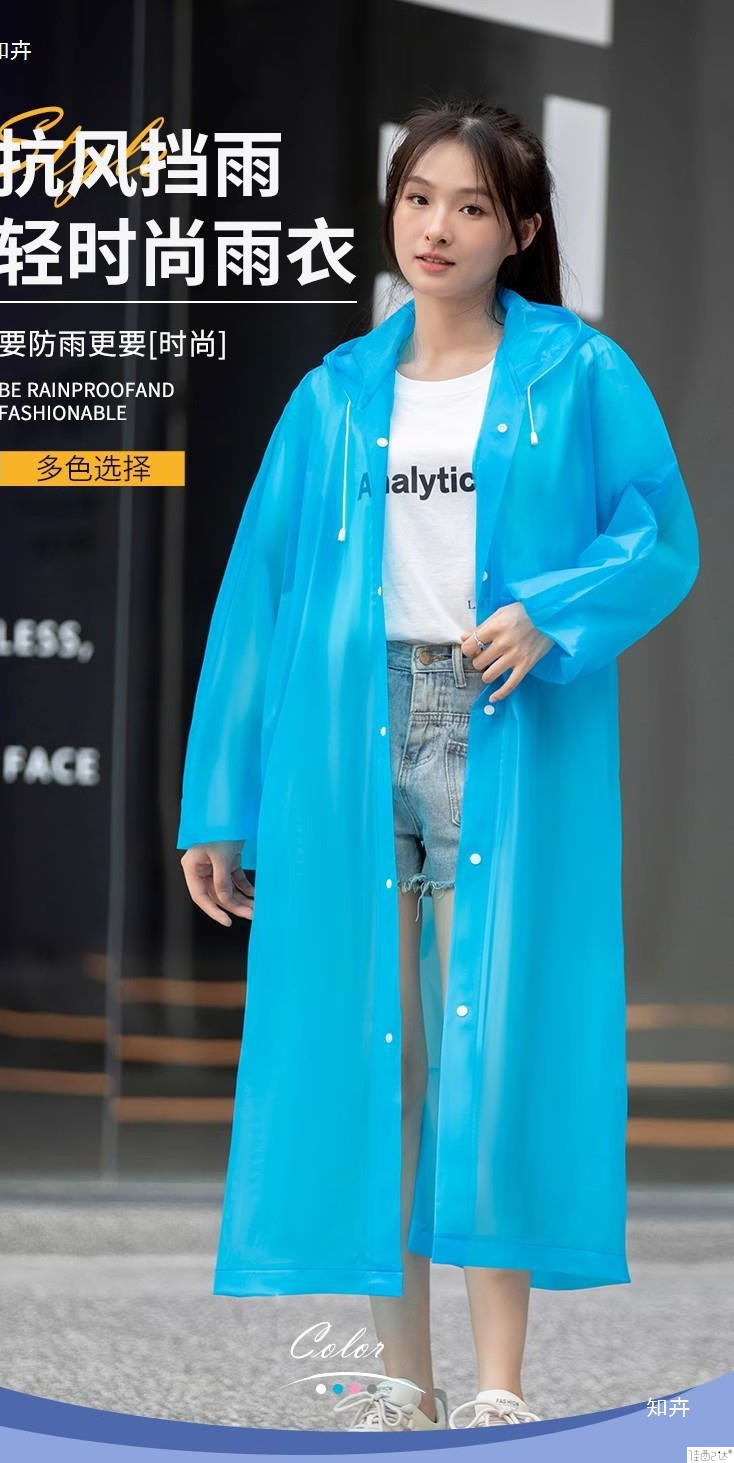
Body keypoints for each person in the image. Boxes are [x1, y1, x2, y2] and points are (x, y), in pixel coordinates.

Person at [178, 98, 700, 1433]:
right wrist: (220, 802)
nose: (438, 227)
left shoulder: (578, 372)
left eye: (472, 206)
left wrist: (550, 614)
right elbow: (260, 601)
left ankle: (500, 1388)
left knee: (490, 1053)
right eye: (419, 198)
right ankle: (402, 1383)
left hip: (499, 724)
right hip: (346, 736)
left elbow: (658, 534)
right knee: (382, 1062)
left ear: (519, 230)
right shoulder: (334, 394)